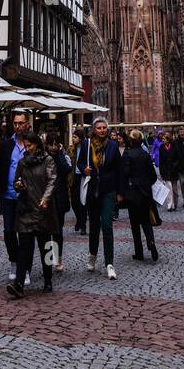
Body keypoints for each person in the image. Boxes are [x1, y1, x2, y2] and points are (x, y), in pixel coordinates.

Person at [6, 131, 58, 298]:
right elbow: (16, 181)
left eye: (30, 146)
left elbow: (52, 180)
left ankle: (48, 280)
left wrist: (45, 198)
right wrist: (19, 185)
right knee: (24, 248)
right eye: (26, 146)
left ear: (37, 144)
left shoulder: (48, 160)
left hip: (43, 209)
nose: (27, 149)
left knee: (46, 247)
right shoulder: (22, 163)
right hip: (27, 209)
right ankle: (19, 284)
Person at [75, 116, 122, 279]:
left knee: (107, 226)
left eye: (104, 127)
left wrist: (120, 192)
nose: (102, 130)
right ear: (94, 130)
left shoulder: (113, 146)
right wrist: (84, 169)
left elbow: (119, 169)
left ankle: (109, 263)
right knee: (94, 226)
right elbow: (79, 163)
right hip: (92, 191)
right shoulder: (87, 144)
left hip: (108, 190)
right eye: (99, 127)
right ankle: (92, 255)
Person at [0, 108, 32, 282]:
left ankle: (26, 269)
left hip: (27, 197)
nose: (17, 126)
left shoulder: (33, 144)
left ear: (27, 124)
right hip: (8, 195)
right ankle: (14, 261)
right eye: (15, 123)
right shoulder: (7, 144)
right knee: (9, 232)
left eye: (20, 123)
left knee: (25, 234)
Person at [122, 128, 158, 261]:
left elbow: (125, 174)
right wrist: (146, 184)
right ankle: (151, 242)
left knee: (135, 224)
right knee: (146, 221)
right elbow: (153, 176)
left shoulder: (128, 154)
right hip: (146, 192)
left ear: (131, 140)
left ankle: (139, 252)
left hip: (133, 193)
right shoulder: (145, 154)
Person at [43, 131, 71, 273]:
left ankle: (58, 257)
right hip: (47, 198)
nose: (53, 147)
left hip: (59, 199)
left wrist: (59, 154)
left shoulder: (61, 156)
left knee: (58, 230)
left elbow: (67, 169)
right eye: (51, 145)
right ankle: (49, 260)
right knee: (48, 230)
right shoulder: (43, 157)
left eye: (55, 145)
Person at [69, 128, 87, 235]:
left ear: (80, 138)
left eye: (75, 137)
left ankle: (83, 225)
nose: (73, 139)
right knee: (74, 202)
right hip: (74, 177)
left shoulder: (86, 147)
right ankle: (79, 219)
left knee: (82, 202)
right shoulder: (71, 149)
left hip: (83, 176)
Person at [158, 131, 180, 210]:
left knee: (174, 190)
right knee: (168, 189)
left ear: (168, 139)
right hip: (166, 171)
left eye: (164, 139)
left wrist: (174, 166)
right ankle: (170, 205)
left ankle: (175, 204)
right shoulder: (161, 148)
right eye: (162, 139)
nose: (163, 140)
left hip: (173, 171)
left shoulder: (174, 146)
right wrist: (161, 171)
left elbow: (178, 158)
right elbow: (161, 161)